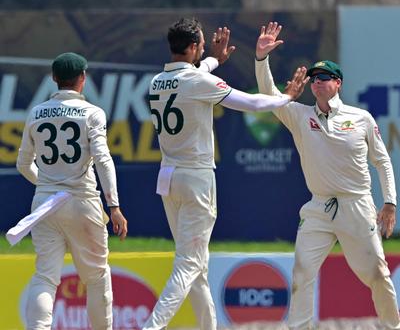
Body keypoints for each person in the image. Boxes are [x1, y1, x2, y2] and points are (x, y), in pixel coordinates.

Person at [142, 18, 307, 330]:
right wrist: (286, 98)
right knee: (189, 264)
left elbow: (195, 74)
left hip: (169, 179)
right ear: (191, 48)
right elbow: (252, 102)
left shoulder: (157, 82)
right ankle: (151, 327)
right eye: (202, 45)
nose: (205, 47)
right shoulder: (196, 83)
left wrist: (214, 60)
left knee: (197, 268)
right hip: (196, 179)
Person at [254, 22, 400, 330]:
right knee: (302, 271)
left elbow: (383, 160)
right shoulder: (299, 115)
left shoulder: (360, 118)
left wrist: (389, 202)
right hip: (319, 207)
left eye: (324, 78)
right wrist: (261, 59)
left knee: (377, 274)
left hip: (356, 205)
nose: (317, 83)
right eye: (314, 79)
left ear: (338, 83)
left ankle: (394, 327)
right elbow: (269, 94)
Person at [16, 52, 128, 329]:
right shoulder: (92, 112)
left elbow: (22, 164)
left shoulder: (36, 112)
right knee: (97, 277)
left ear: (54, 78)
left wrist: (48, 188)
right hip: (83, 201)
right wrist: (113, 206)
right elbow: (102, 159)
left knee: (44, 277)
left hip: (45, 203)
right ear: (83, 78)